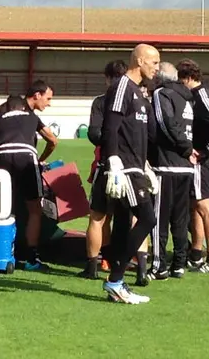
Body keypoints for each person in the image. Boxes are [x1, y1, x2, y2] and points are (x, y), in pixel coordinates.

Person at [99, 44, 160, 304]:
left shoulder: (140, 94)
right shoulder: (122, 86)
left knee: (124, 224)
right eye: (154, 62)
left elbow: (137, 136)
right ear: (139, 60)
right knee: (147, 218)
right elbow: (110, 127)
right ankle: (115, 279)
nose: (157, 68)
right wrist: (113, 162)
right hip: (123, 168)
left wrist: (146, 166)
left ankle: (117, 284)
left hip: (136, 167)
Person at [0, 86, 57, 271]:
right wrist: (41, 159)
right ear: (22, 108)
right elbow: (52, 139)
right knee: (34, 209)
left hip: (1, 156)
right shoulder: (31, 116)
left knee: (1, 207)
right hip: (26, 156)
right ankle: (31, 258)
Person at [147, 61, 198, 280]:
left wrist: (185, 148)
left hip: (166, 164)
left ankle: (159, 266)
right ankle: (178, 264)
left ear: (159, 78)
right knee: (179, 218)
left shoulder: (161, 94)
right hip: (185, 168)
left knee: (159, 218)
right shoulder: (185, 96)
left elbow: (164, 121)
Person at [177, 59, 209, 273]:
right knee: (195, 206)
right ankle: (196, 254)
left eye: (181, 81)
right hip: (195, 159)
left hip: (200, 160)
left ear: (188, 78)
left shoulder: (202, 95)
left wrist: (205, 151)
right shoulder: (194, 96)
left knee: (205, 207)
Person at [79, 59, 128, 279]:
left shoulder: (101, 101)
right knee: (132, 217)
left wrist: (110, 144)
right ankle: (136, 265)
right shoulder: (136, 99)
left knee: (98, 217)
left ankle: (94, 265)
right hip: (131, 166)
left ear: (107, 78)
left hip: (106, 164)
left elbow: (93, 133)